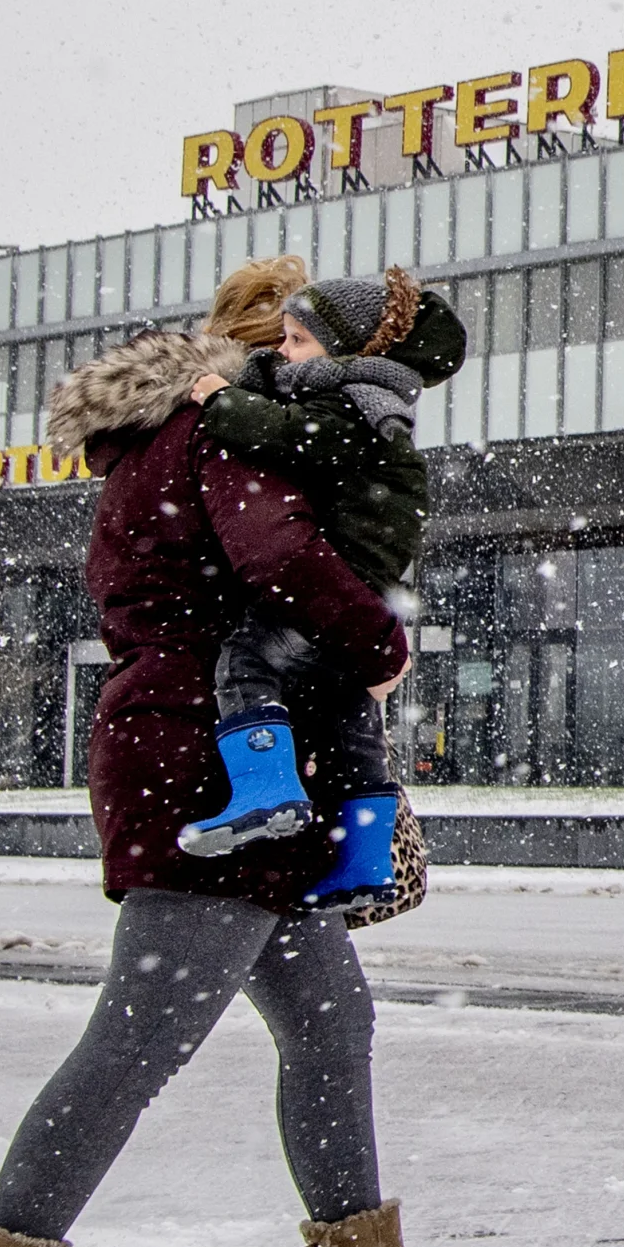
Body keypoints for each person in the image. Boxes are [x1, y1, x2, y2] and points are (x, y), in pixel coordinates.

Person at [0, 305, 501, 1247]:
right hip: (211, 768)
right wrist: (379, 642)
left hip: (221, 760)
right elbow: (282, 558)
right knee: (137, 1043)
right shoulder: (211, 435)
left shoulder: (153, 446)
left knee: (330, 1025)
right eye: (288, 348)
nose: (297, 366)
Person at [174, 266, 466, 908]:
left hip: (342, 576)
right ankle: (365, 863)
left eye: (297, 340)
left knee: (246, 660)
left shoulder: (350, 399)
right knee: (350, 717)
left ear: (345, 349)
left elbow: (289, 437)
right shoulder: (369, 396)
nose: (283, 352)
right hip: (362, 581)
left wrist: (221, 399)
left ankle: (265, 790)